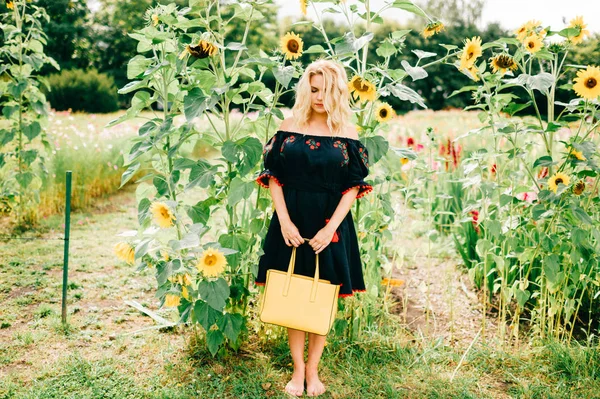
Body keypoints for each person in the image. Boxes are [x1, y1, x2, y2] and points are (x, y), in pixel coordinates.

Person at [254, 59, 373, 397]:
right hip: (290, 221)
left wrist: (329, 228)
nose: (319, 96)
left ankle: (314, 372)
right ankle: (297, 370)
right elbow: (273, 176)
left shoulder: (347, 132)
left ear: (339, 92)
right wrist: (285, 221)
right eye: (314, 89)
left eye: (327, 90)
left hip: (329, 224)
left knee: (321, 295)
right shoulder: (289, 124)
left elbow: (352, 187)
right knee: (294, 291)